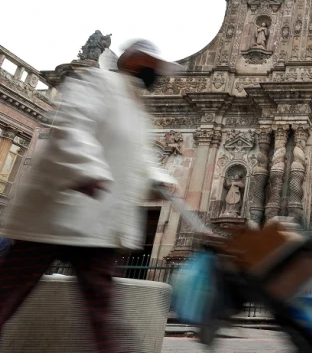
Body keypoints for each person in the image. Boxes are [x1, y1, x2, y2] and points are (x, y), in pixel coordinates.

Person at [0, 40, 180, 353]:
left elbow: (140, 158)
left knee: (102, 307)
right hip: (58, 211)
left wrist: (160, 179)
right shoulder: (96, 82)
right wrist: (89, 169)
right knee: (9, 291)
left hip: (96, 224)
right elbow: (73, 126)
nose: (157, 75)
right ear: (135, 62)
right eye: (154, 67)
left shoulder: (136, 108)